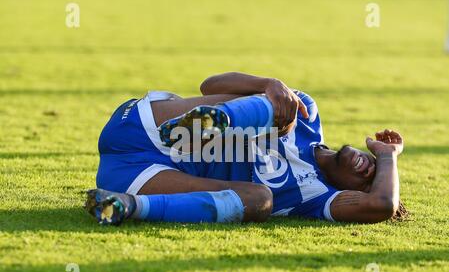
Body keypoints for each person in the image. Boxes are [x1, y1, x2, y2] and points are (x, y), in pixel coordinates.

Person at [85, 72, 407, 225]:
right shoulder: (308, 114)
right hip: (146, 124)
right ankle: (208, 122)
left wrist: (388, 156)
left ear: (354, 193)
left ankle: (128, 206)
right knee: (285, 113)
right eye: (374, 162)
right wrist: (269, 84)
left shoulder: (319, 197)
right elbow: (209, 86)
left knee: (262, 200)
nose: (369, 166)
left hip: (135, 177)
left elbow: (381, 204)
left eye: (369, 177)